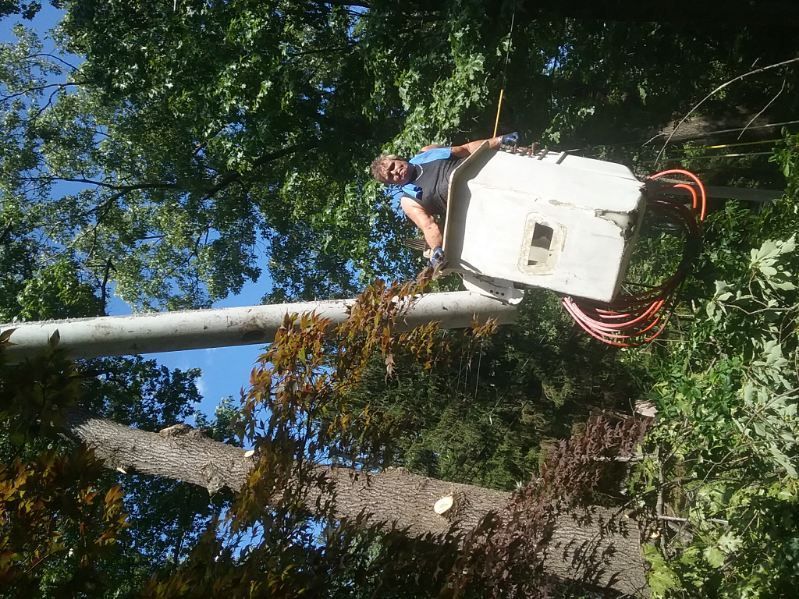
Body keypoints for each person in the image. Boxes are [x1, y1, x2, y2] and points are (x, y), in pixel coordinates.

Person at [371, 132, 519, 269]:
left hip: (490, 175)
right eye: (390, 176)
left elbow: (466, 149)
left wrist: (499, 140)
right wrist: (436, 250)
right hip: (478, 210)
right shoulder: (409, 200)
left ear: (398, 159)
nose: (395, 172)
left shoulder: (427, 152)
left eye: (393, 166)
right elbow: (428, 225)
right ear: (392, 183)